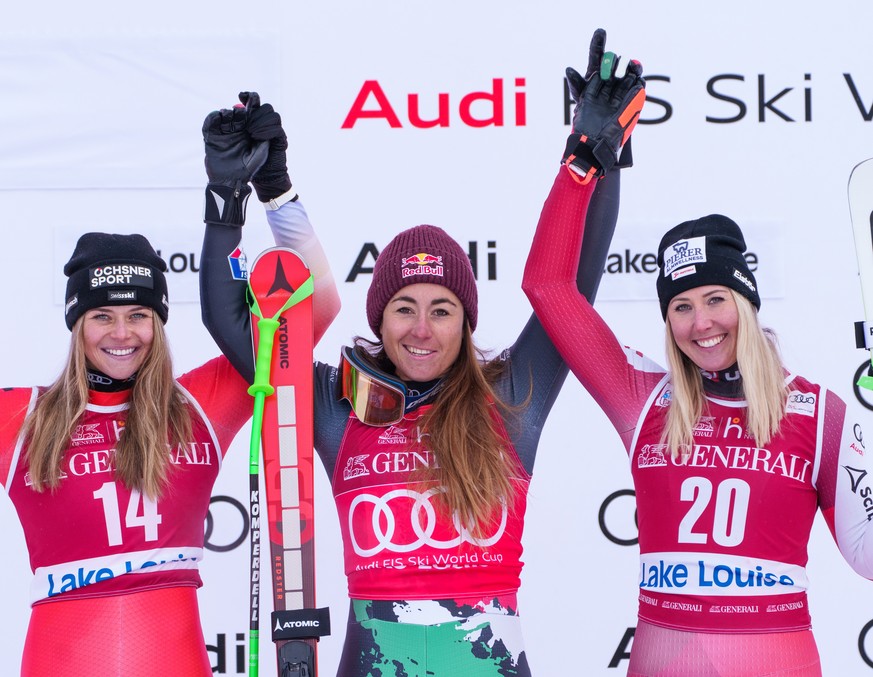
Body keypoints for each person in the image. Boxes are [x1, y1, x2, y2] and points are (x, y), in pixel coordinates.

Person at [199, 35, 641, 676]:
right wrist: (237, 199)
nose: (422, 330)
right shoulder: (338, 404)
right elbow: (230, 320)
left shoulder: (512, 396)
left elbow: (575, 284)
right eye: (404, 307)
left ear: (466, 324)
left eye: (443, 310)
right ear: (379, 319)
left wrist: (601, 157)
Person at [522, 42, 873, 677]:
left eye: (716, 298)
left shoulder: (820, 415)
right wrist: (580, 161)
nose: (700, 322)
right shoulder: (643, 401)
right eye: (680, 306)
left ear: (748, 299)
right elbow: (548, 287)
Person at [0, 96, 339, 676]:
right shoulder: (24, 418)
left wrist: (276, 191)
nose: (122, 333)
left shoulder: (197, 407)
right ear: (77, 326)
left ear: (158, 324)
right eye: (101, 316)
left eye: (138, 316)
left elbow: (317, 306)